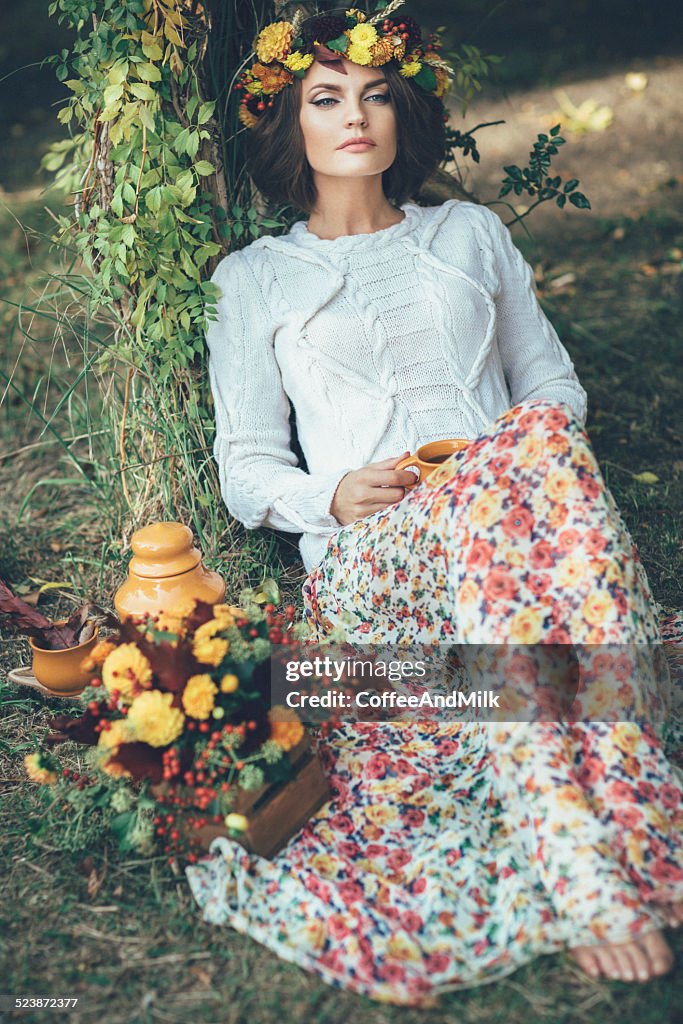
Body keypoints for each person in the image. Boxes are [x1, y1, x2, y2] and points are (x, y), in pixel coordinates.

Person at [186, 4, 683, 1007]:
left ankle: (579, 824)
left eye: (373, 94)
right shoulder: (252, 281)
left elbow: (551, 387)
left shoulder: (468, 233)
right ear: (289, 126)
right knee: (518, 463)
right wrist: (332, 492)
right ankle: (578, 835)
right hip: (377, 563)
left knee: (530, 441)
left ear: (402, 113)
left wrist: (494, 462)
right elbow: (245, 469)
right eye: (325, 99)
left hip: (510, 523)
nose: (355, 115)